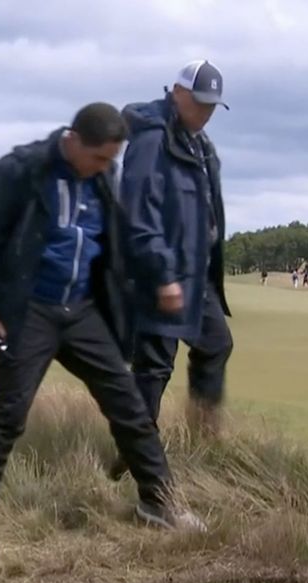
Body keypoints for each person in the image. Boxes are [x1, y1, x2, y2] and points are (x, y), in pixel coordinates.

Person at [0, 102, 207, 563]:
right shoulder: (18, 172)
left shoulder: (101, 177)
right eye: (101, 158)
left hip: (82, 310)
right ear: (73, 141)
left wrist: (162, 276)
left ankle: (158, 503)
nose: (107, 167)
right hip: (28, 310)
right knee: (8, 413)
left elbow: (125, 234)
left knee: (128, 403)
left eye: (112, 159)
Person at [110, 60, 234, 480]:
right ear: (177, 93)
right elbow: (137, 212)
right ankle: (134, 453)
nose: (206, 112)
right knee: (153, 370)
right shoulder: (151, 140)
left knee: (216, 344)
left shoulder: (200, 145)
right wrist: (163, 274)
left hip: (197, 278)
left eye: (213, 106)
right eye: (200, 103)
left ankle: (204, 436)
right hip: (161, 277)